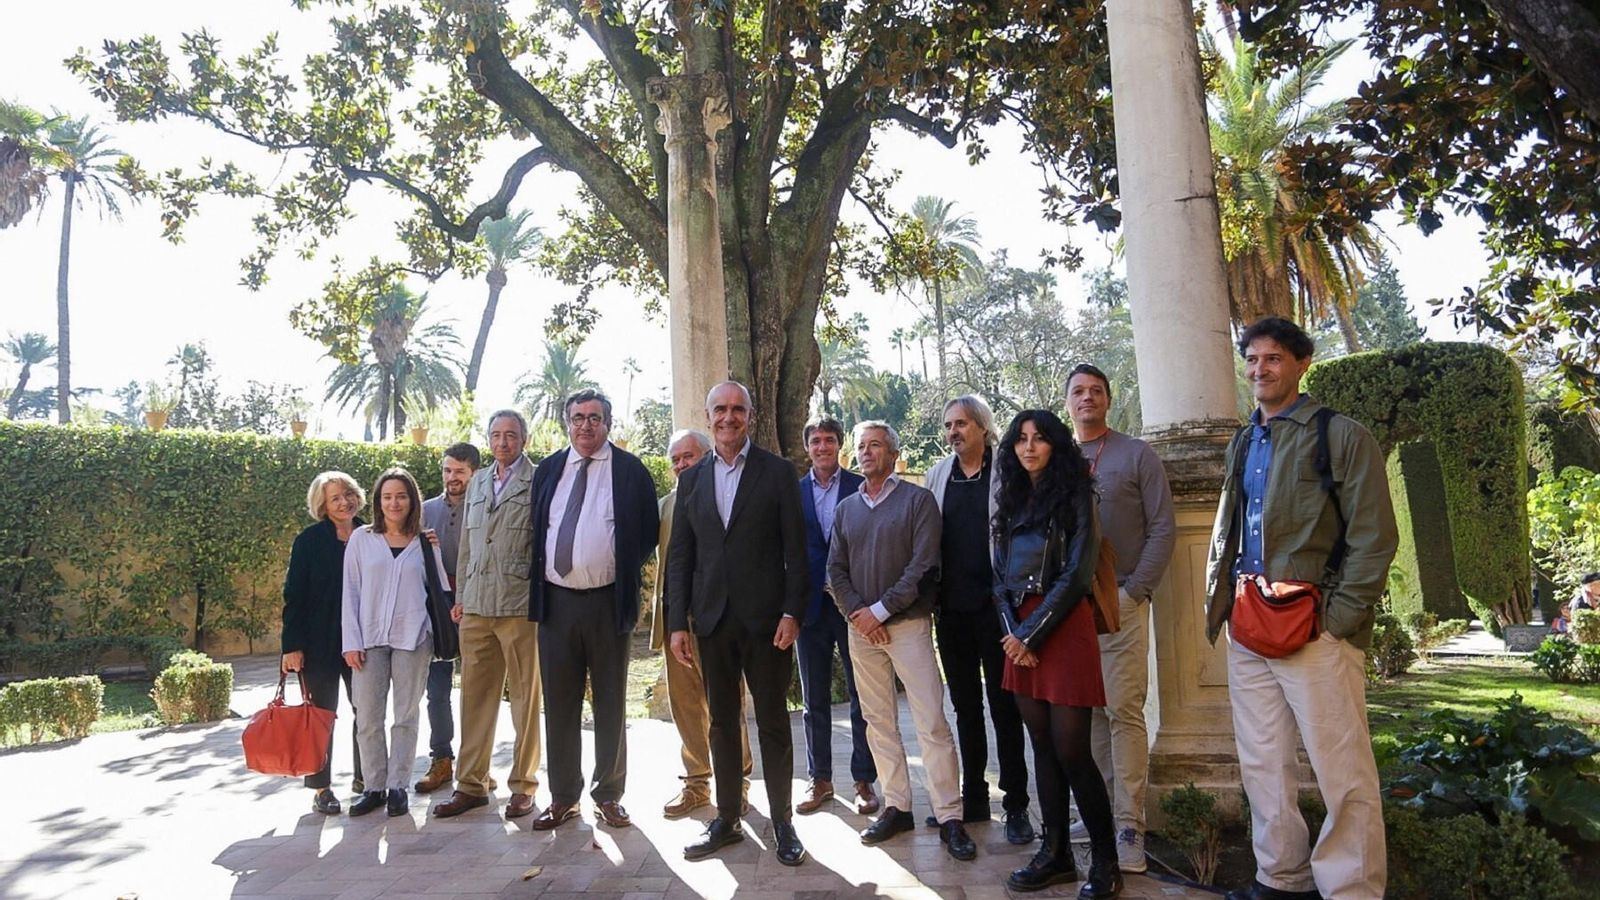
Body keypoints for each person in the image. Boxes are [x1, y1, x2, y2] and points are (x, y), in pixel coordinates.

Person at [1206, 317, 1398, 900]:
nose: (1260, 370)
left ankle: (1351, 889)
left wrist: (1337, 622)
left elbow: (1375, 537)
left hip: (1315, 629)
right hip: (1250, 622)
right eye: (1253, 360)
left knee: (1343, 771)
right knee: (1263, 764)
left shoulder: (1339, 435)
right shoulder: (1246, 440)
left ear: (1301, 364)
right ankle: (1280, 877)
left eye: (1273, 359)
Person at [666, 381, 809, 866]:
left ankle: (783, 821)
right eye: (720, 410)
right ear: (709, 417)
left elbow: (796, 549)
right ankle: (727, 819)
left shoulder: (778, 472)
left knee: (771, 722)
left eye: (737, 410)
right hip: (711, 621)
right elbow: (681, 557)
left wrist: (793, 611)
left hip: (768, 621)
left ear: (749, 416)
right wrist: (676, 624)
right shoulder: (692, 479)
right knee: (722, 723)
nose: (729, 418)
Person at [828, 421, 977, 860]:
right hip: (861, 632)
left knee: (931, 721)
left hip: (908, 627)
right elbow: (835, 570)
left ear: (894, 454)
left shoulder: (918, 501)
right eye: (861, 447)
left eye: (876, 445)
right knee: (878, 723)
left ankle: (950, 814)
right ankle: (897, 806)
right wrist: (859, 613)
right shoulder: (846, 509)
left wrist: (880, 610)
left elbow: (923, 565)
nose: (867, 452)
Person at [993, 410, 1121, 898]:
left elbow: (1078, 573)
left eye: (1040, 439)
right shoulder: (1011, 497)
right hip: (1020, 635)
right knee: (1042, 746)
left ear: (1055, 446)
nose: (1029, 448)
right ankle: (1056, 854)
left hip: (1062, 627)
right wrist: (1013, 633)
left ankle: (1106, 862)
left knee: (1072, 750)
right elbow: (999, 578)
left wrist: (1031, 634)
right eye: (1022, 440)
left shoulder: (1078, 494)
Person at [526, 389, 659, 830]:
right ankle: (564, 796)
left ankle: (609, 794)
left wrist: (608, 567)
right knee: (559, 703)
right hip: (556, 605)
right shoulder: (549, 470)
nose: (586, 426)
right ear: (567, 422)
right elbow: (537, 529)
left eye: (595, 418)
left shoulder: (630, 471)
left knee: (610, 701)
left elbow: (644, 536)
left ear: (608, 423)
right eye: (578, 417)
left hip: (606, 603)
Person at [1063, 364, 1176, 873]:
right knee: (1085, 715)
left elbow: (1163, 530)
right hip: (1067, 613)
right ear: (1067, 402)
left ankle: (1130, 825)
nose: (1088, 398)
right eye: (1079, 392)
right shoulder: (1055, 459)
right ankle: (1101, 813)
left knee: (1123, 712)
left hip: (1121, 606)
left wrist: (1133, 592)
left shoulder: (1137, 454)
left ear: (1108, 399)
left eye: (1096, 391)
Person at [924, 394, 1034, 843]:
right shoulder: (937, 476)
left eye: (962, 424)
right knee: (965, 708)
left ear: (983, 428)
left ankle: (1016, 805)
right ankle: (972, 800)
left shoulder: (1008, 472)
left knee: (1005, 708)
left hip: (998, 610)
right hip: (950, 611)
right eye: (949, 425)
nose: (954, 432)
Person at [432, 410, 543, 821]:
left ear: (524, 440)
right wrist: (461, 594)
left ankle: (524, 785)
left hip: (518, 606)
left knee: (525, 701)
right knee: (475, 700)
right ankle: (471, 784)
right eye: (496, 435)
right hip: (476, 607)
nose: (503, 443)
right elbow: (466, 546)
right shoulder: (478, 482)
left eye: (511, 435)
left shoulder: (538, 480)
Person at [652, 429, 753, 818]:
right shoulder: (665, 506)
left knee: (726, 704)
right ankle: (696, 783)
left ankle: (738, 781)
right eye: (675, 459)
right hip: (677, 624)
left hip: (718, 621)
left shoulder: (723, 497)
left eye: (688, 457)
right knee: (685, 706)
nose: (680, 465)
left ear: (707, 456)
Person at [342, 467, 450, 818]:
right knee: (368, 717)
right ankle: (374, 786)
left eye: (401, 496)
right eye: (387, 496)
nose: (394, 503)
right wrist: (350, 641)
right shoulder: (361, 539)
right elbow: (351, 592)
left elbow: (440, 589)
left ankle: (398, 786)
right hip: (369, 639)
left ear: (412, 500)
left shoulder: (425, 540)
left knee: (405, 715)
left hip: (413, 637)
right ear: (377, 501)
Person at [795, 416, 879, 816]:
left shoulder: (859, 487)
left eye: (829, 440)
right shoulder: (792, 493)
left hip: (853, 606)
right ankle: (820, 778)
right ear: (806, 447)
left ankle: (864, 779)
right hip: (809, 608)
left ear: (839, 446)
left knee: (862, 696)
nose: (822, 447)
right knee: (815, 699)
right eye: (815, 441)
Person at [281, 471, 367, 815]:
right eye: (335, 498)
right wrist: (292, 646)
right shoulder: (308, 541)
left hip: (362, 641)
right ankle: (321, 788)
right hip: (318, 643)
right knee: (321, 715)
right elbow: (294, 595)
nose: (344, 502)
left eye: (348, 493)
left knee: (368, 712)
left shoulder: (371, 534)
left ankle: (367, 779)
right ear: (322, 505)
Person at [415, 443, 481, 795]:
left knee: (476, 690)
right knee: (436, 690)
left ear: (473, 473)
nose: (451, 478)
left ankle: (476, 764)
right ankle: (442, 758)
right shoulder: (423, 511)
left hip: (477, 605)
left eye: (459, 471)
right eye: (447, 470)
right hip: (436, 611)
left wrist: (467, 598)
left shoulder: (486, 508)